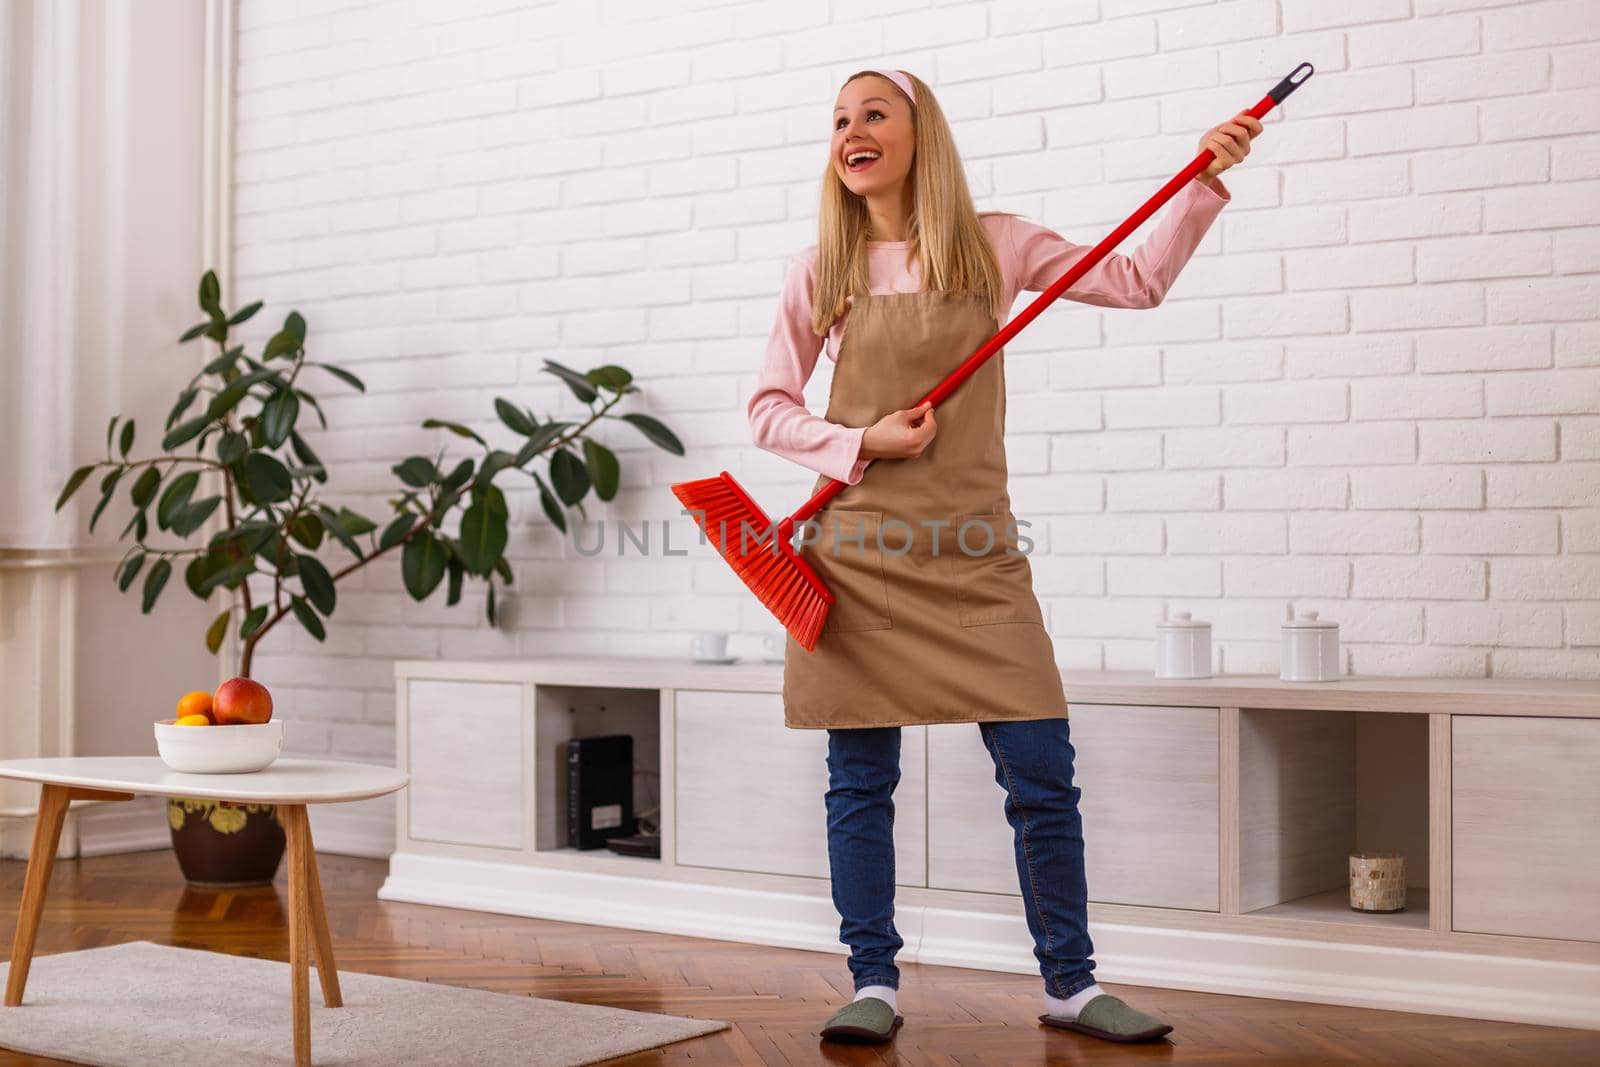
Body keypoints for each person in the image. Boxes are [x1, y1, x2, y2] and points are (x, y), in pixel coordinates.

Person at [745, 67, 1260, 1046]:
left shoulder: (998, 242)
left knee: (1040, 770)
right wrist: (861, 444)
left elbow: (1135, 279)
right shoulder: (822, 268)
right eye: (839, 120)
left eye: (873, 114)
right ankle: (872, 979)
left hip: (976, 549)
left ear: (917, 131)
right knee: (860, 778)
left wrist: (1201, 181)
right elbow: (768, 409)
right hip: (858, 554)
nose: (851, 131)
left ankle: (1070, 981)